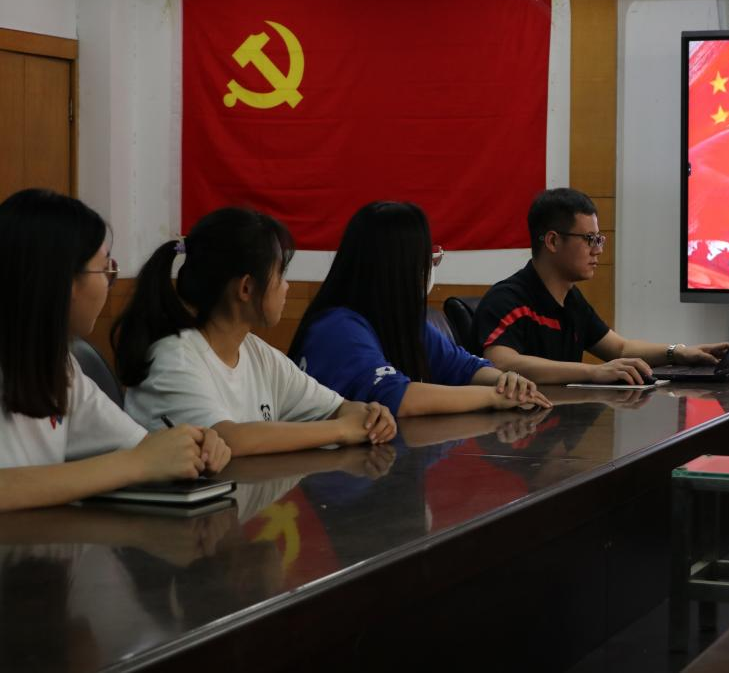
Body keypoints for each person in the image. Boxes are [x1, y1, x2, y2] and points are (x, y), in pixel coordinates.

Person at [0, 189, 229, 512]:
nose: (110, 284)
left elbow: (139, 446)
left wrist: (195, 445)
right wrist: (137, 463)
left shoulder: (59, 365)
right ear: (64, 280)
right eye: (105, 271)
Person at [113, 207, 396, 456]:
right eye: (280, 274)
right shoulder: (174, 359)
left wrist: (369, 415)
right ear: (246, 288)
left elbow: (336, 408)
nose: (286, 287)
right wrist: (342, 430)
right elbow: (229, 439)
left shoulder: (256, 352)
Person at [289, 201, 551, 416]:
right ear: (399, 267)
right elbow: (399, 399)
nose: (430, 267)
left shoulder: (401, 321)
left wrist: (505, 381)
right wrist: (493, 396)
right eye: (426, 257)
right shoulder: (337, 327)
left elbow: (462, 367)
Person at [472, 188, 729, 384]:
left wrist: (679, 352)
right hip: (517, 431)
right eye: (589, 239)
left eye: (599, 239)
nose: (597, 250)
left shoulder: (571, 299)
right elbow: (500, 362)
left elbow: (620, 349)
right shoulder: (508, 299)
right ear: (552, 241)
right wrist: (593, 372)